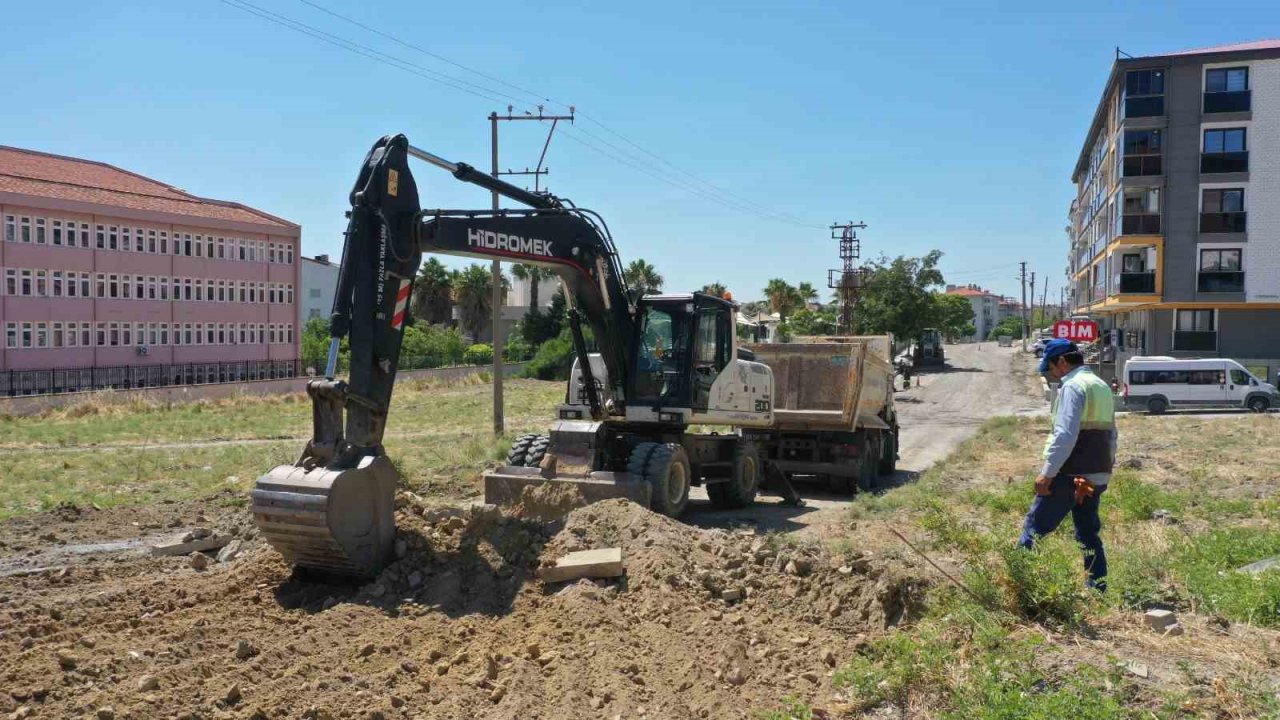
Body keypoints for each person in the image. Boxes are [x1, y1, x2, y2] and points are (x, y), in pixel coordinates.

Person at [1018, 338, 1117, 590]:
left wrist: (1047, 473)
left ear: (1062, 361)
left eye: (1051, 368)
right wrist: (1106, 469)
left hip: (1069, 475)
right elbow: (1112, 434)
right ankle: (1097, 587)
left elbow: (1065, 434)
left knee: (1034, 529)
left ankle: (1017, 583)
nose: (1052, 374)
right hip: (1097, 474)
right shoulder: (1101, 386)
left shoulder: (1073, 387)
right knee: (1087, 533)